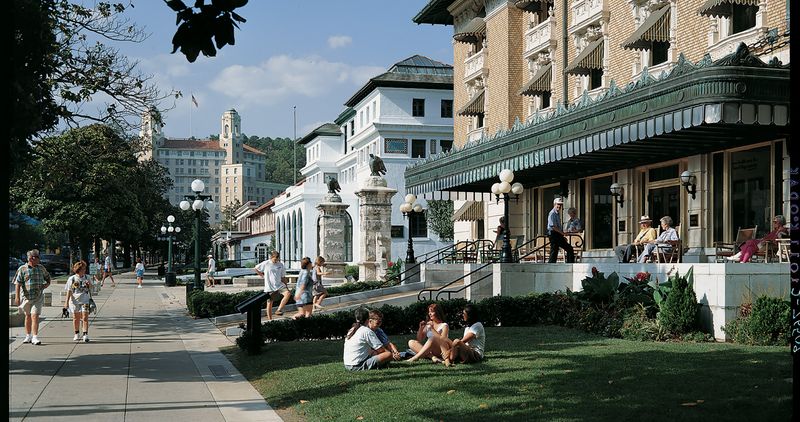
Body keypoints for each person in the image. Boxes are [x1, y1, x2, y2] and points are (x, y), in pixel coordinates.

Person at [14, 249, 52, 345]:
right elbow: (17, 283)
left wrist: (45, 285)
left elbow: (48, 278)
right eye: (37, 257)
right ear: (31, 258)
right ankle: (28, 335)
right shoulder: (22, 269)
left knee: (35, 315)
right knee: (28, 316)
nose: (39, 259)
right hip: (26, 297)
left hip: (37, 297)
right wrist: (17, 297)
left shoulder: (41, 268)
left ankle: (35, 337)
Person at [254, 250, 291, 320]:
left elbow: (283, 277)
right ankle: (270, 319)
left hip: (279, 285)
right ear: (271, 257)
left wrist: (286, 285)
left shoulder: (280, 265)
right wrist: (262, 275)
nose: (276, 260)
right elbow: (256, 268)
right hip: (270, 287)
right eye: (275, 259)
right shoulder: (266, 263)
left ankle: (279, 310)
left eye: (277, 258)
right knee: (270, 303)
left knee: (288, 293)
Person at [64, 261, 93, 342]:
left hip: (85, 300)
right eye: (83, 269)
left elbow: (91, 287)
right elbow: (69, 291)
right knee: (76, 318)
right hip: (74, 301)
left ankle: (85, 334)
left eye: (85, 269)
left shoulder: (87, 277)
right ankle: (76, 333)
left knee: (85, 317)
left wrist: (89, 285)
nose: (84, 271)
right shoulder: (72, 279)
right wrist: (66, 303)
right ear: (78, 270)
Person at [547, 197, 575, 263]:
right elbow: (553, 226)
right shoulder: (552, 213)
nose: (559, 206)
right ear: (554, 204)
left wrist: (562, 235)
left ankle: (552, 265)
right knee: (556, 250)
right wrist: (562, 234)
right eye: (558, 204)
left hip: (557, 234)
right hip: (553, 234)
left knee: (555, 251)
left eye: (560, 205)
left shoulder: (557, 213)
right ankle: (569, 264)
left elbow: (557, 227)